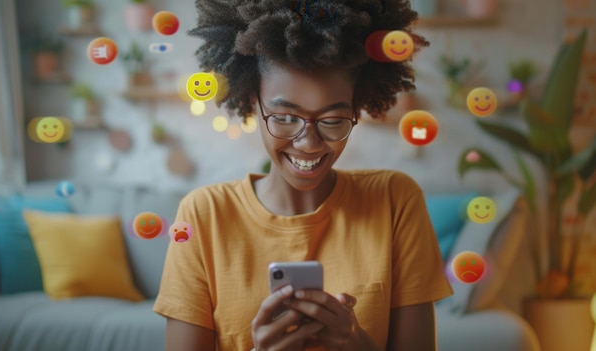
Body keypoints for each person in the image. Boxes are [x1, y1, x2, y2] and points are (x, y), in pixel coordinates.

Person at [153, 0, 453, 350]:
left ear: (356, 110)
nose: (308, 143)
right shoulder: (204, 215)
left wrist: (355, 342)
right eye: (284, 118)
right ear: (253, 102)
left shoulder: (394, 200)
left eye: (332, 120)